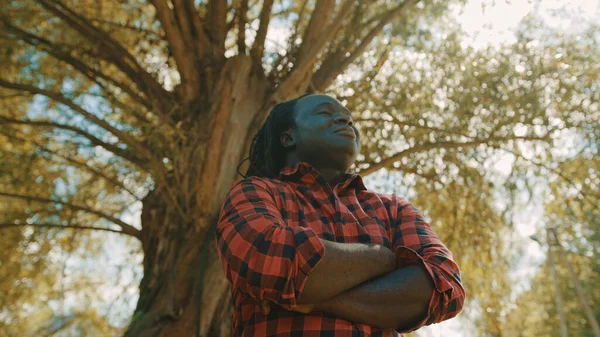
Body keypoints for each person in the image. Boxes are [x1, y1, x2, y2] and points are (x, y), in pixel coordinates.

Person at [215, 94, 465, 337]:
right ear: (288, 137)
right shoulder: (256, 192)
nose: (346, 121)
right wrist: (383, 257)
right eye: (325, 113)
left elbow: (444, 286)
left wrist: (314, 299)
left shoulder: (394, 209)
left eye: (349, 119)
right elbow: (267, 258)